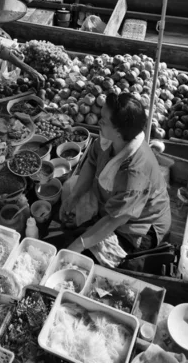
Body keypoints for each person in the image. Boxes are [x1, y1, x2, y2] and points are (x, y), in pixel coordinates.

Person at [59, 93, 171, 255]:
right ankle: (89, 222)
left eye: (103, 121)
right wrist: (75, 196)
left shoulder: (135, 174)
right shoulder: (109, 139)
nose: (99, 122)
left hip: (137, 225)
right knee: (70, 187)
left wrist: (79, 244)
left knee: (90, 253)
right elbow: (91, 162)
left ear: (118, 132)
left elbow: (115, 219)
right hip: (112, 201)